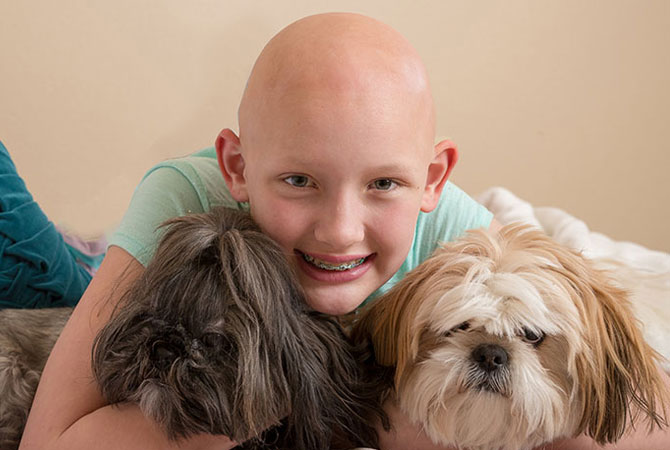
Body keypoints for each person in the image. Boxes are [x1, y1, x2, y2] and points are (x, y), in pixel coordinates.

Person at [19, 12, 670, 450]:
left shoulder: (448, 225)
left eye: (384, 183)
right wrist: (276, 396)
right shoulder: (183, 197)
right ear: (237, 168)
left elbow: (641, 412)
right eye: (299, 181)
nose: (339, 230)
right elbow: (50, 439)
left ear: (431, 179)